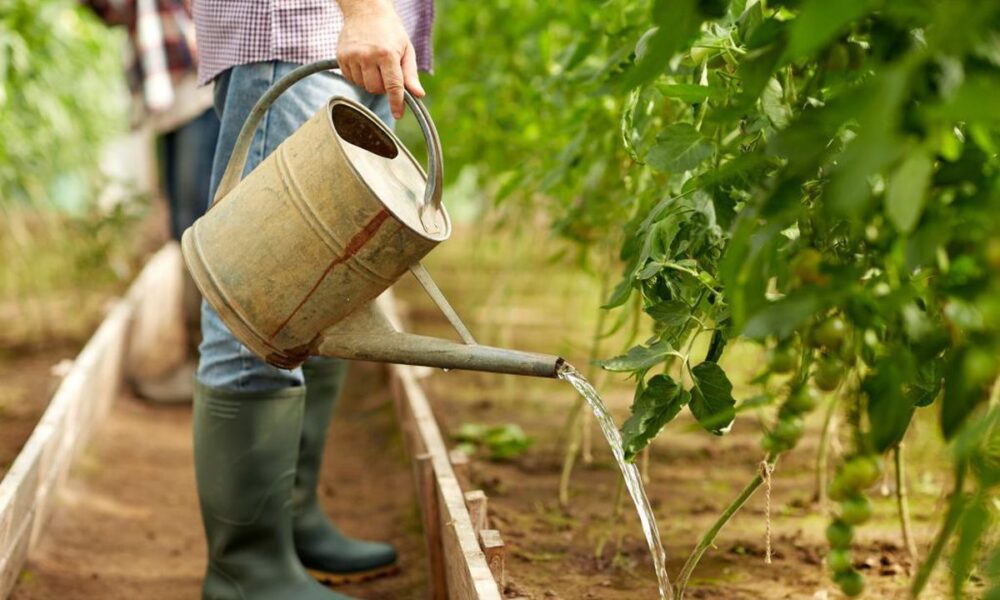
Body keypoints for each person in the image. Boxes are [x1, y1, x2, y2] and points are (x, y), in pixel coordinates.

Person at [190, 1, 433, 599]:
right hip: (301, 30)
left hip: (365, 36)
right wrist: (365, 8)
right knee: (261, 301)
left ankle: (288, 526)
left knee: (324, 291)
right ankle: (246, 569)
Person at [83, 0, 220, 403]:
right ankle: (202, 362)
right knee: (183, 226)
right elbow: (110, 10)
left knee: (200, 224)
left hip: (200, 88)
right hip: (169, 100)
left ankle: (211, 366)